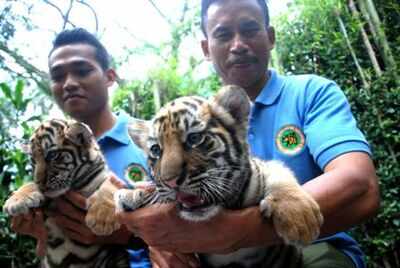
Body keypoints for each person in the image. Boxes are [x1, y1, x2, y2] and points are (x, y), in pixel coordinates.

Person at [116, 0, 380, 267]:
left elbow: (360, 185)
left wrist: (240, 232)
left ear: (271, 37)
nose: (238, 44)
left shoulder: (310, 92)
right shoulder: (191, 117)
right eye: (223, 34)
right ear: (207, 48)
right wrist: (165, 242)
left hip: (311, 246)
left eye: (249, 29)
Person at [10, 28, 151, 268]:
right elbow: (47, 248)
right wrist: (39, 232)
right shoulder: (47, 148)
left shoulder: (151, 139)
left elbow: (192, 231)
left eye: (82, 71)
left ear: (109, 77)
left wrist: (128, 234)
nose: (69, 84)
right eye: (57, 76)